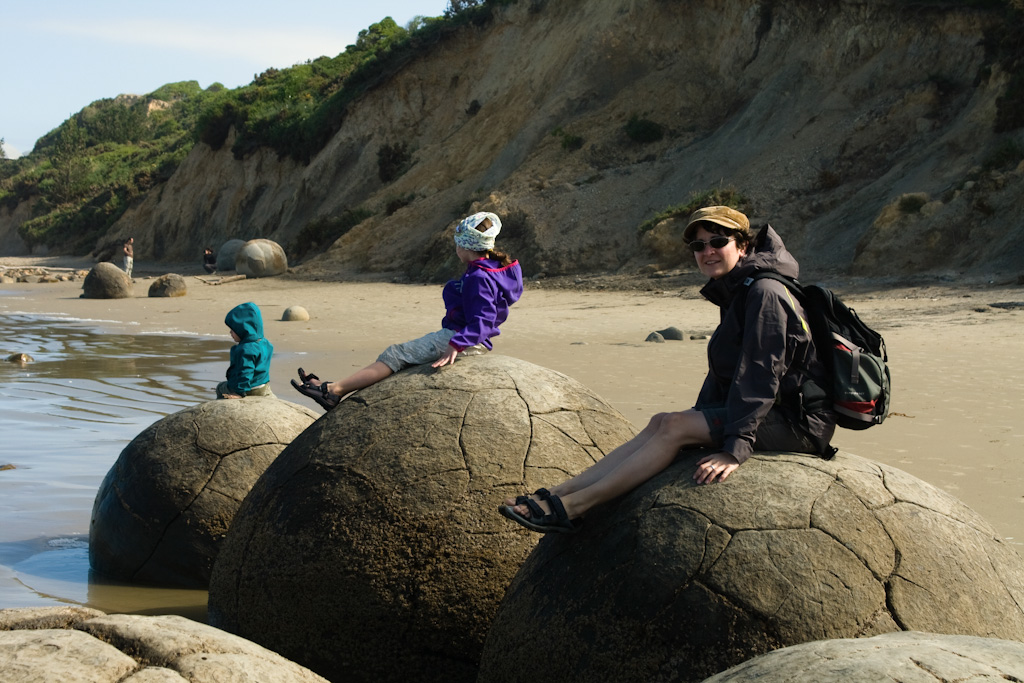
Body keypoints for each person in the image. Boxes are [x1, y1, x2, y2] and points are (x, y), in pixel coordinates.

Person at [499, 206, 837, 534]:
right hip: (773, 411)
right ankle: (560, 493)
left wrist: (735, 448)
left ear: (743, 245)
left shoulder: (765, 292)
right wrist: (702, 416)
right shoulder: (740, 289)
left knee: (675, 427)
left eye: (719, 242)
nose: (708, 251)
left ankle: (574, 508)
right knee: (662, 420)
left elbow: (761, 375)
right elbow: (728, 372)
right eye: (698, 245)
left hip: (798, 421)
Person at [292, 211, 523, 410]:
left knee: (395, 354)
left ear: (465, 246)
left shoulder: (479, 277)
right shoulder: (488, 270)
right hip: (465, 336)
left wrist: (457, 344)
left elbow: (483, 318)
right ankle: (336, 386)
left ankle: (333, 391)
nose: (455, 248)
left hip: (462, 338)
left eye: (457, 243)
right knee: (401, 354)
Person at [217, 302, 275, 399]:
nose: (230, 332)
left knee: (220, 387)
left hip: (250, 389)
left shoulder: (246, 350)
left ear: (243, 329)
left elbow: (246, 372)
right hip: (264, 386)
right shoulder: (265, 343)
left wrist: (239, 392)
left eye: (233, 329)